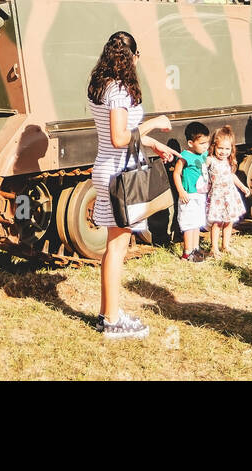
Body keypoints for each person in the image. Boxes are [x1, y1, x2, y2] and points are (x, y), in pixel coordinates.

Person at [87, 31, 174, 339]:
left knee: (117, 245)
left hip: (110, 167)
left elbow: (124, 136)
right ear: (132, 57)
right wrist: (153, 123)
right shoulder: (120, 91)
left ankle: (108, 312)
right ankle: (111, 321)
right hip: (117, 174)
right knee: (117, 247)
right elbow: (120, 137)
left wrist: (154, 145)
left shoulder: (104, 86)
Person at [204, 126, 248, 255]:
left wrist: (242, 187)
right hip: (217, 197)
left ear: (232, 149)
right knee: (217, 223)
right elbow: (200, 168)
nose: (223, 152)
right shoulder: (210, 160)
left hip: (229, 195)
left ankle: (226, 245)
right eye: (220, 148)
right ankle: (214, 248)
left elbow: (232, 175)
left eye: (227, 149)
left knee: (229, 222)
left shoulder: (228, 161)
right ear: (214, 147)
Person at [173, 121, 209, 261]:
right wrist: (181, 191)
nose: (205, 146)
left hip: (200, 195)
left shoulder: (203, 155)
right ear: (190, 143)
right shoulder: (185, 157)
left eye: (207, 142)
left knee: (197, 223)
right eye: (202, 143)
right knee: (189, 224)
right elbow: (176, 174)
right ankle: (187, 252)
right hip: (189, 195)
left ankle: (195, 249)